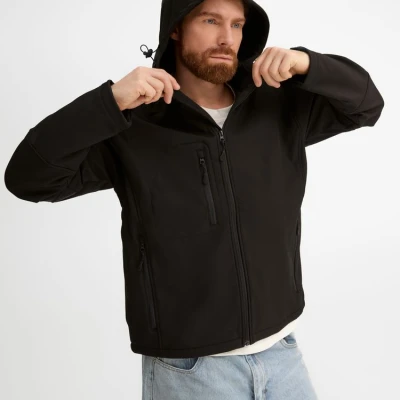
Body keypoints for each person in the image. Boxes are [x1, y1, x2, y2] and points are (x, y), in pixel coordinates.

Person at [4, 0, 384, 398]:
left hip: (282, 353)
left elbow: (366, 104)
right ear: (175, 28)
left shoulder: (277, 103)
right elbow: (28, 179)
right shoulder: (135, 124)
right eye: (211, 20)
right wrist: (109, 102)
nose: (227, 38)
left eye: (237, 25)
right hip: (190, 371)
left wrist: (307, 63)